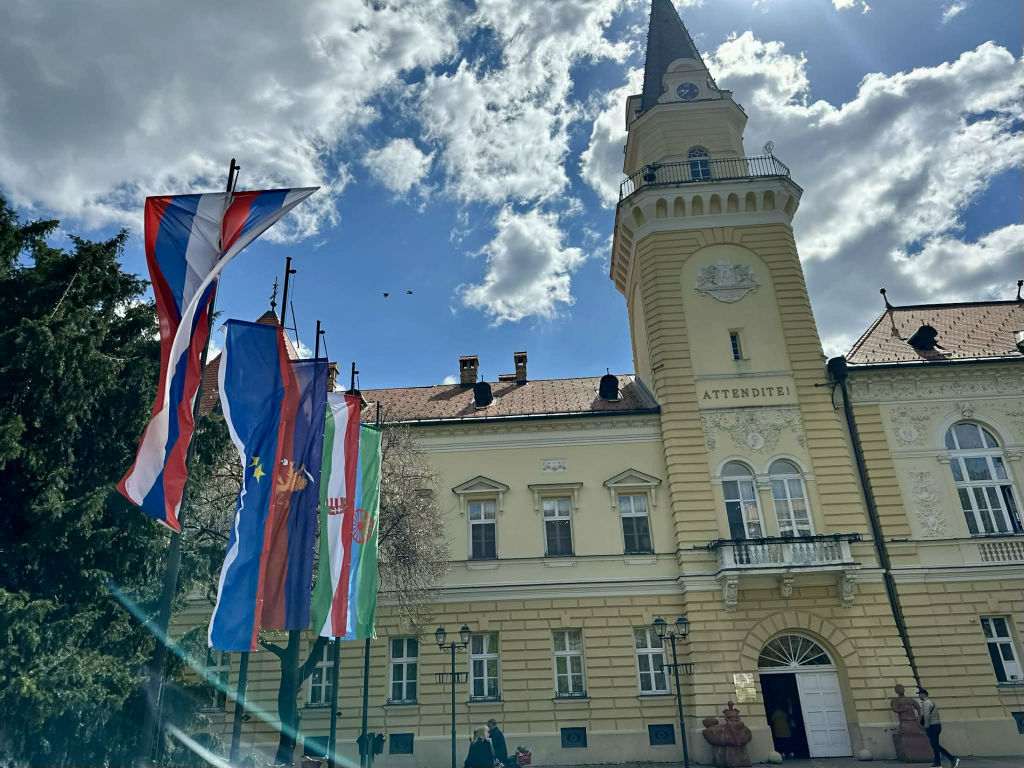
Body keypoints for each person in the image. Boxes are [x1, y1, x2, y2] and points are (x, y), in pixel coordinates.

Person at [918, 688, 959, 768]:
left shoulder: (926, 703)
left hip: (932, 726)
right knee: (935, 745)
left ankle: (952, 758)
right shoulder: (931, 702)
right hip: (936, 725)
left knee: (935, 745)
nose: (919, 696)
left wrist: (926, 727)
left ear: (923, 694)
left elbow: (927, 716)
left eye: (919, 694)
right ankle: (937, 763)